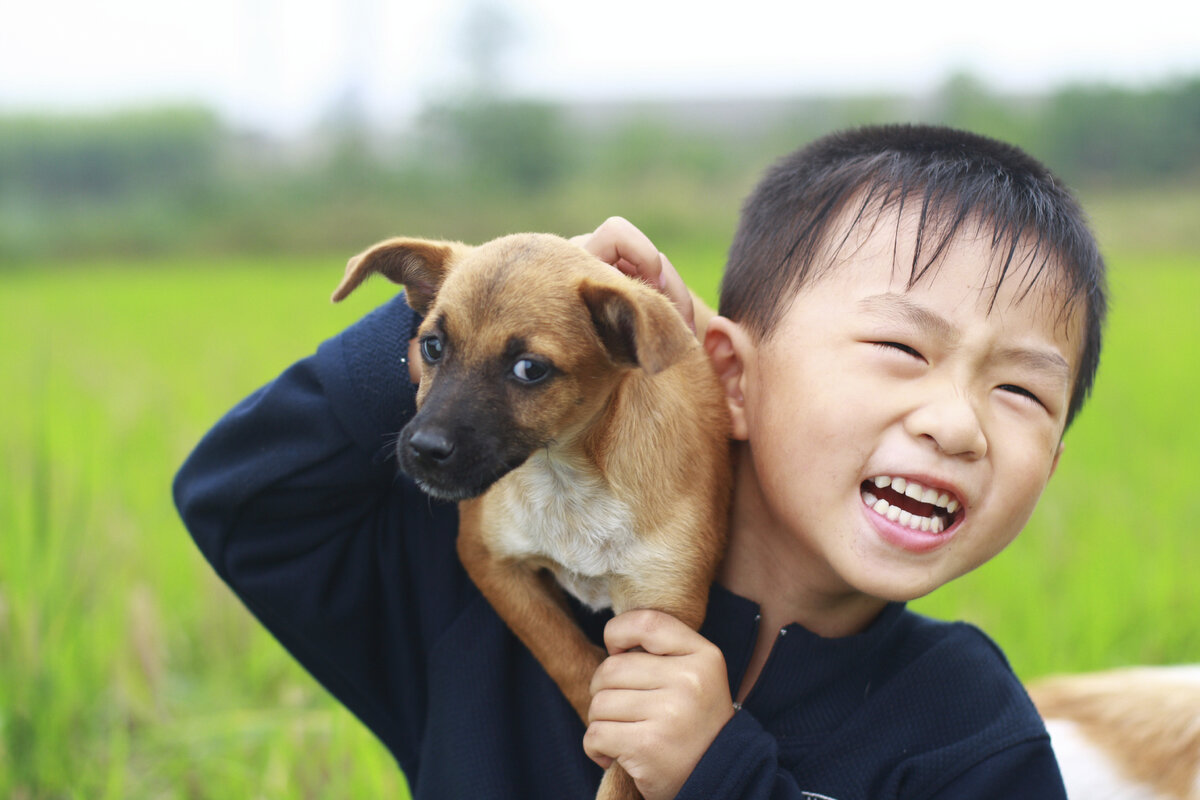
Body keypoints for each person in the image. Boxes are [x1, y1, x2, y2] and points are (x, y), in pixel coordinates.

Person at [174, 123, 1105, 799]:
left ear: (1053, 461)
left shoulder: (970, 735)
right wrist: (475, 305)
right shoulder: (484, 602)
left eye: (1021, 392)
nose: (956, 424)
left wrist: (726, 780)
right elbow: (239, 497)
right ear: (731, 376)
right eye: (903, 350)